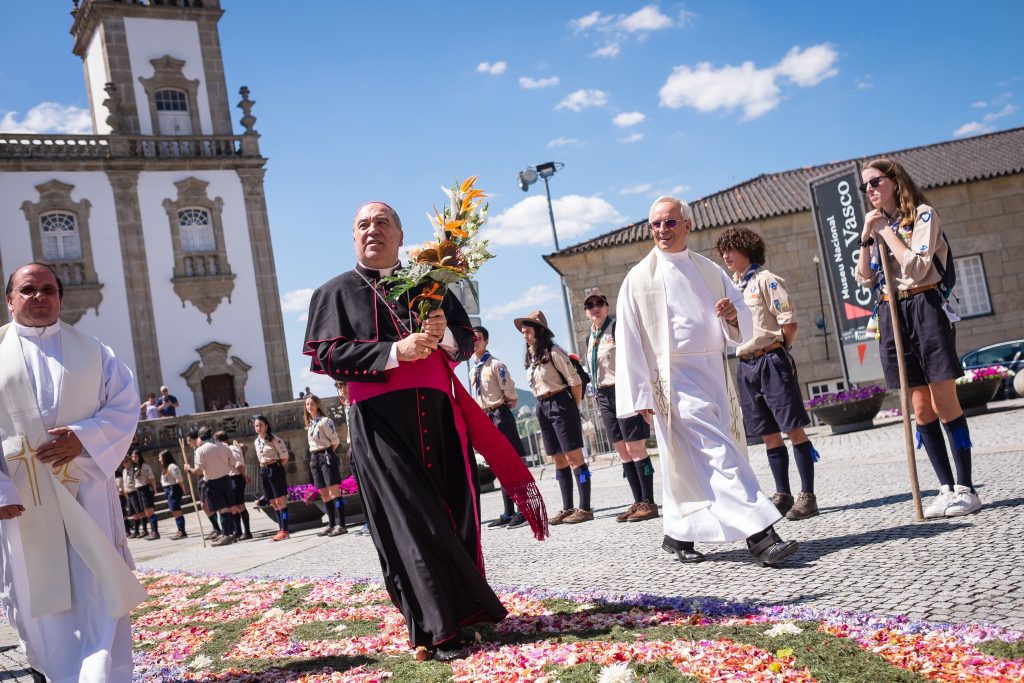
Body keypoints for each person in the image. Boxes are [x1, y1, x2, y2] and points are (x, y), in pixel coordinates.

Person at [303, 201, 546, 659]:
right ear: (353, 237)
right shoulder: (334, 292)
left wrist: (442, 332)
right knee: (412, 518)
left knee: (454, 510)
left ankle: (466, 612)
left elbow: (465, 341)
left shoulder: (429, 284)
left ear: (400, 235)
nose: (372, 230)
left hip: (438, 415)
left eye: (382, 222)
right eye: (363, 224)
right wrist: (395, 352)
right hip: (381, 425)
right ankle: (438, 629)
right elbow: (329, 356)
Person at [615, 198, 799, 567]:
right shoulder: (638, 278)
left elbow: (740, 317)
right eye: (656, 224)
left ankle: (678, 533)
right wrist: (640, 394)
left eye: (670, 222)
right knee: (719, 453)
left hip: (712, 372)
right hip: (671, 378)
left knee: (690, 457)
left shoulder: (709, 269)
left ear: (688, 225)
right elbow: (629, 339)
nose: (662, 230)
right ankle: (761, 536)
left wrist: (731, 316)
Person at [0, 263, 147, 681]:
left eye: (48, 290)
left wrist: (83, 440)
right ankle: (47, 672)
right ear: (10, 300)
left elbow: (124, 408)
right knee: (38, 604)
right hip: (23, 506)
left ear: (60, 299)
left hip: (88, 500)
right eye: (28, 289)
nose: (39, 297)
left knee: (97, 593)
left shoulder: (96, 353)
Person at [856, 158, 980, 518]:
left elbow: (917, 266)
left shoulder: (922, 216)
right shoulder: (878, 224)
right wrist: (867, 237)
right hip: (891, 310)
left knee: (944, 402)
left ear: (894, 182)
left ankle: (966, 488)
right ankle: (945, 487)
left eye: (875, 182)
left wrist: (887, 232)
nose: (869, 189)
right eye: (865, 186)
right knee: (920, 407)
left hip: (924, 303)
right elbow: (864, 278)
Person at [715, 228, 821, 520]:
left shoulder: (766, 280)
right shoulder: (732, 289)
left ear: (747, 250)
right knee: (768, 434)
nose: (726, 255)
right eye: (723, 251)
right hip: (745, 364)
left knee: (793, 428)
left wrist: (780, 351)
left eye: (731, 249)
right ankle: (783, 494)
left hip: (771, 358)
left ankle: (808, 495)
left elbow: (789, 323)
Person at [582, 287, 657, 523]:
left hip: (623, 390)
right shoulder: (590, 337)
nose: (595, 308)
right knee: (622, 451)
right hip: (603, 395)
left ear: (607, 306)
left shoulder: (616, 328)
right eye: (590, 305)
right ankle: (637, 502)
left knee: (636, 448)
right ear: (586, 312)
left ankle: (649, 502)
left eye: (599, 303)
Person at [515, 310, 592, 525]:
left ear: (539, 331)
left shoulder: (554, 351)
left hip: (560, 402)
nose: (524, 335)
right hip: (542, 405)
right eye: (523, 332)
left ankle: (585, 508)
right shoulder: (531, 356)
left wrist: (573, 406)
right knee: (558, 458)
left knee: (574, 457)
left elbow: (575, 381)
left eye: (528, 331)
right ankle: (567, 507)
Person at [471, 326, 529, 529]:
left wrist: (505, 404)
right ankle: (508, 511)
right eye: (472, 339)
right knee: (498, 465)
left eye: (478, 338)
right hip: (485, 417)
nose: (475, 342)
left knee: (511, 462)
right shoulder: (473, 369)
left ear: (486, 341)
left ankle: (523, 510)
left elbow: (509, 391)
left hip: (499, 414)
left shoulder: (495, 364)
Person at [185, 427, 238, 546]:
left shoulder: (200, 450)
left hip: (213, 482)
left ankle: (226, 535)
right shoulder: (223, 445)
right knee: (229, 507)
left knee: (222, 509)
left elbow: (199, 470)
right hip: (226, 479)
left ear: (200, 437)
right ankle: (230, 533)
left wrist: (189, 469)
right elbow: (233, 462)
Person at [304, 394, 347, 536]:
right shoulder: (311, 424)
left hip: (325, 455)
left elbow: (335, 440)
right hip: (314, 457)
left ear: (317, 405)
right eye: (307, 404)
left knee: (334, 491)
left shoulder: (325, 421)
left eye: (311, 403)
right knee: (323, 493)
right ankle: (331, 524)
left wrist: (327, 452)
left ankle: (341, 524)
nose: (309, 407)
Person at [253, 415, 291, 541]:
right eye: (256, 426)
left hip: (274, 468)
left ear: (266, 426)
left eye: (261, 425)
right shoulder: (256, 441)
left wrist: (276, 467)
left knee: (280, 500)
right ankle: (280, 528)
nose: (258, 428)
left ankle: (285, 530)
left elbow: (284, 456)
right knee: (273, 501)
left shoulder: (274, 439)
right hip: (263, 469)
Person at [216, 431, 253, 540]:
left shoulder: (231, 449)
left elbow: (239, 464)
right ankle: (238, 532)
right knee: (234, 507)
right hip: (230, 478)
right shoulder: (225, 450)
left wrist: (245, 476)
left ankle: (247, 532)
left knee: (240, 505)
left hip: (236, 478)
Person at [129, 447, 160, 540]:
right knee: (146, 512)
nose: (133, 458)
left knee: (149, 511)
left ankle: (155, 532)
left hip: (145, 489)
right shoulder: (134, 467)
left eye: (135, 456)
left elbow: (152, 478)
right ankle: (152, 531)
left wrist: (154, 489)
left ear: (139, 456)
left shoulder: (145, 466)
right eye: (132, 457)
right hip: (138, 490)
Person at [159, 450, 188, 539]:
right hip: (168, 489)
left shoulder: (172, 466)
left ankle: (182, 532)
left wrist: (183, 489)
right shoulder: (166, 468)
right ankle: (180, 530)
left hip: (173, 489)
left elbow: (179, 479)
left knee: (176, 510)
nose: (159, 459)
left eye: (160, 457)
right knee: (174, 511)